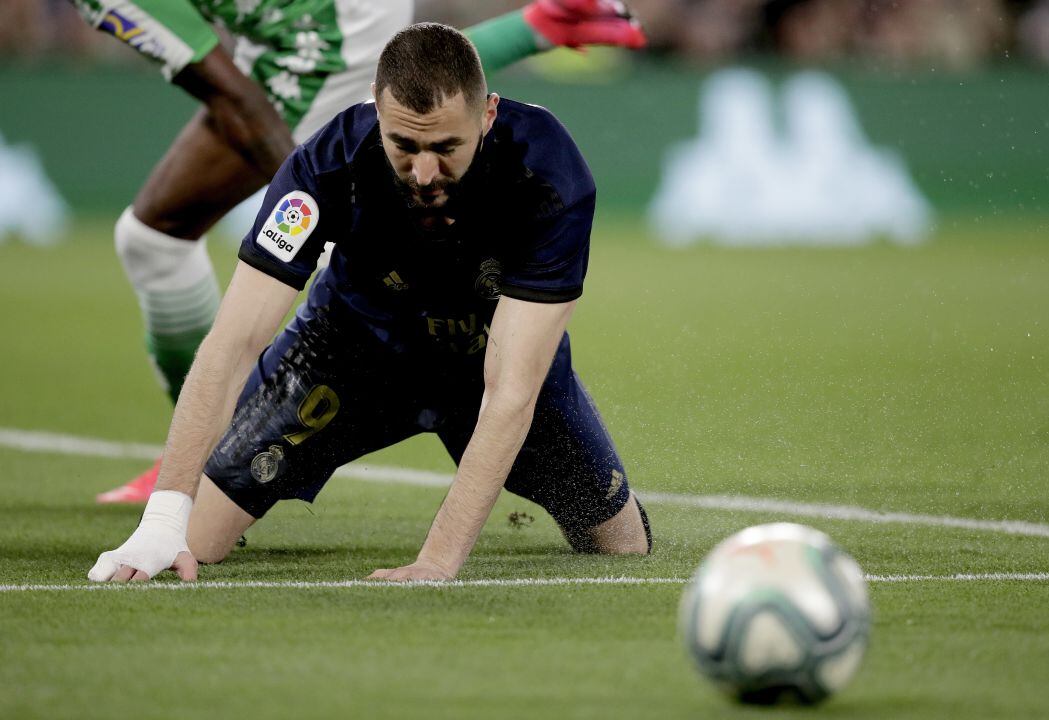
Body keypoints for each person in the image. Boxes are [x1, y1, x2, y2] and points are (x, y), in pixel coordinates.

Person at [88, 22, 651, 584]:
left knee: (623, 545)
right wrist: (161, 521)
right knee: (193, 541)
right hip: (347, 351)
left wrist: (438, 561)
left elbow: (510, 392)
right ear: (376, 111)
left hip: (485, 357)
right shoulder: (324, 166)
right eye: (403, 145)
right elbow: (231, 345)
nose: (424, 173)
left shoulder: (548, 174)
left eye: (446, 148)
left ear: (487, 115)